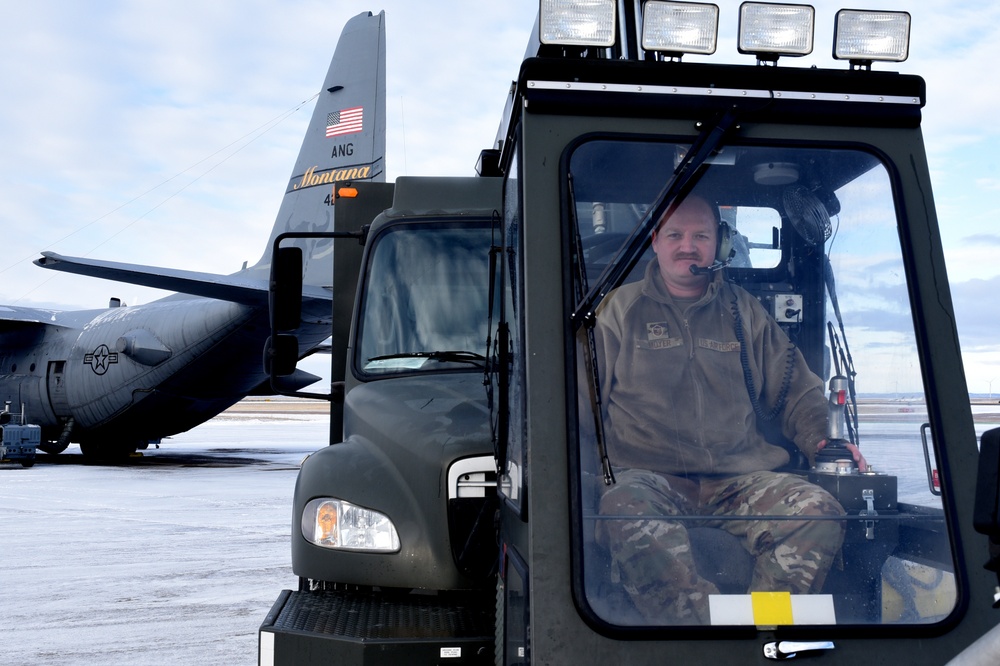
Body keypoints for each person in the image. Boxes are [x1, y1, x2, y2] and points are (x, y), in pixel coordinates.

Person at [593, 193, 865, 625]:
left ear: (720, 243)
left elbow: (796, 389)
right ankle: (704, 637)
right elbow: (578, 408)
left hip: (739, 482)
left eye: (701, 235)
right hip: (650, 479)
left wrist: (823, 441)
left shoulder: (745, 312)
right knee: (623, 506)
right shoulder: (617, 313)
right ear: (655, 242)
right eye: (676, 235)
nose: (688, 246)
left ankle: (765, 629)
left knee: (818, 510)